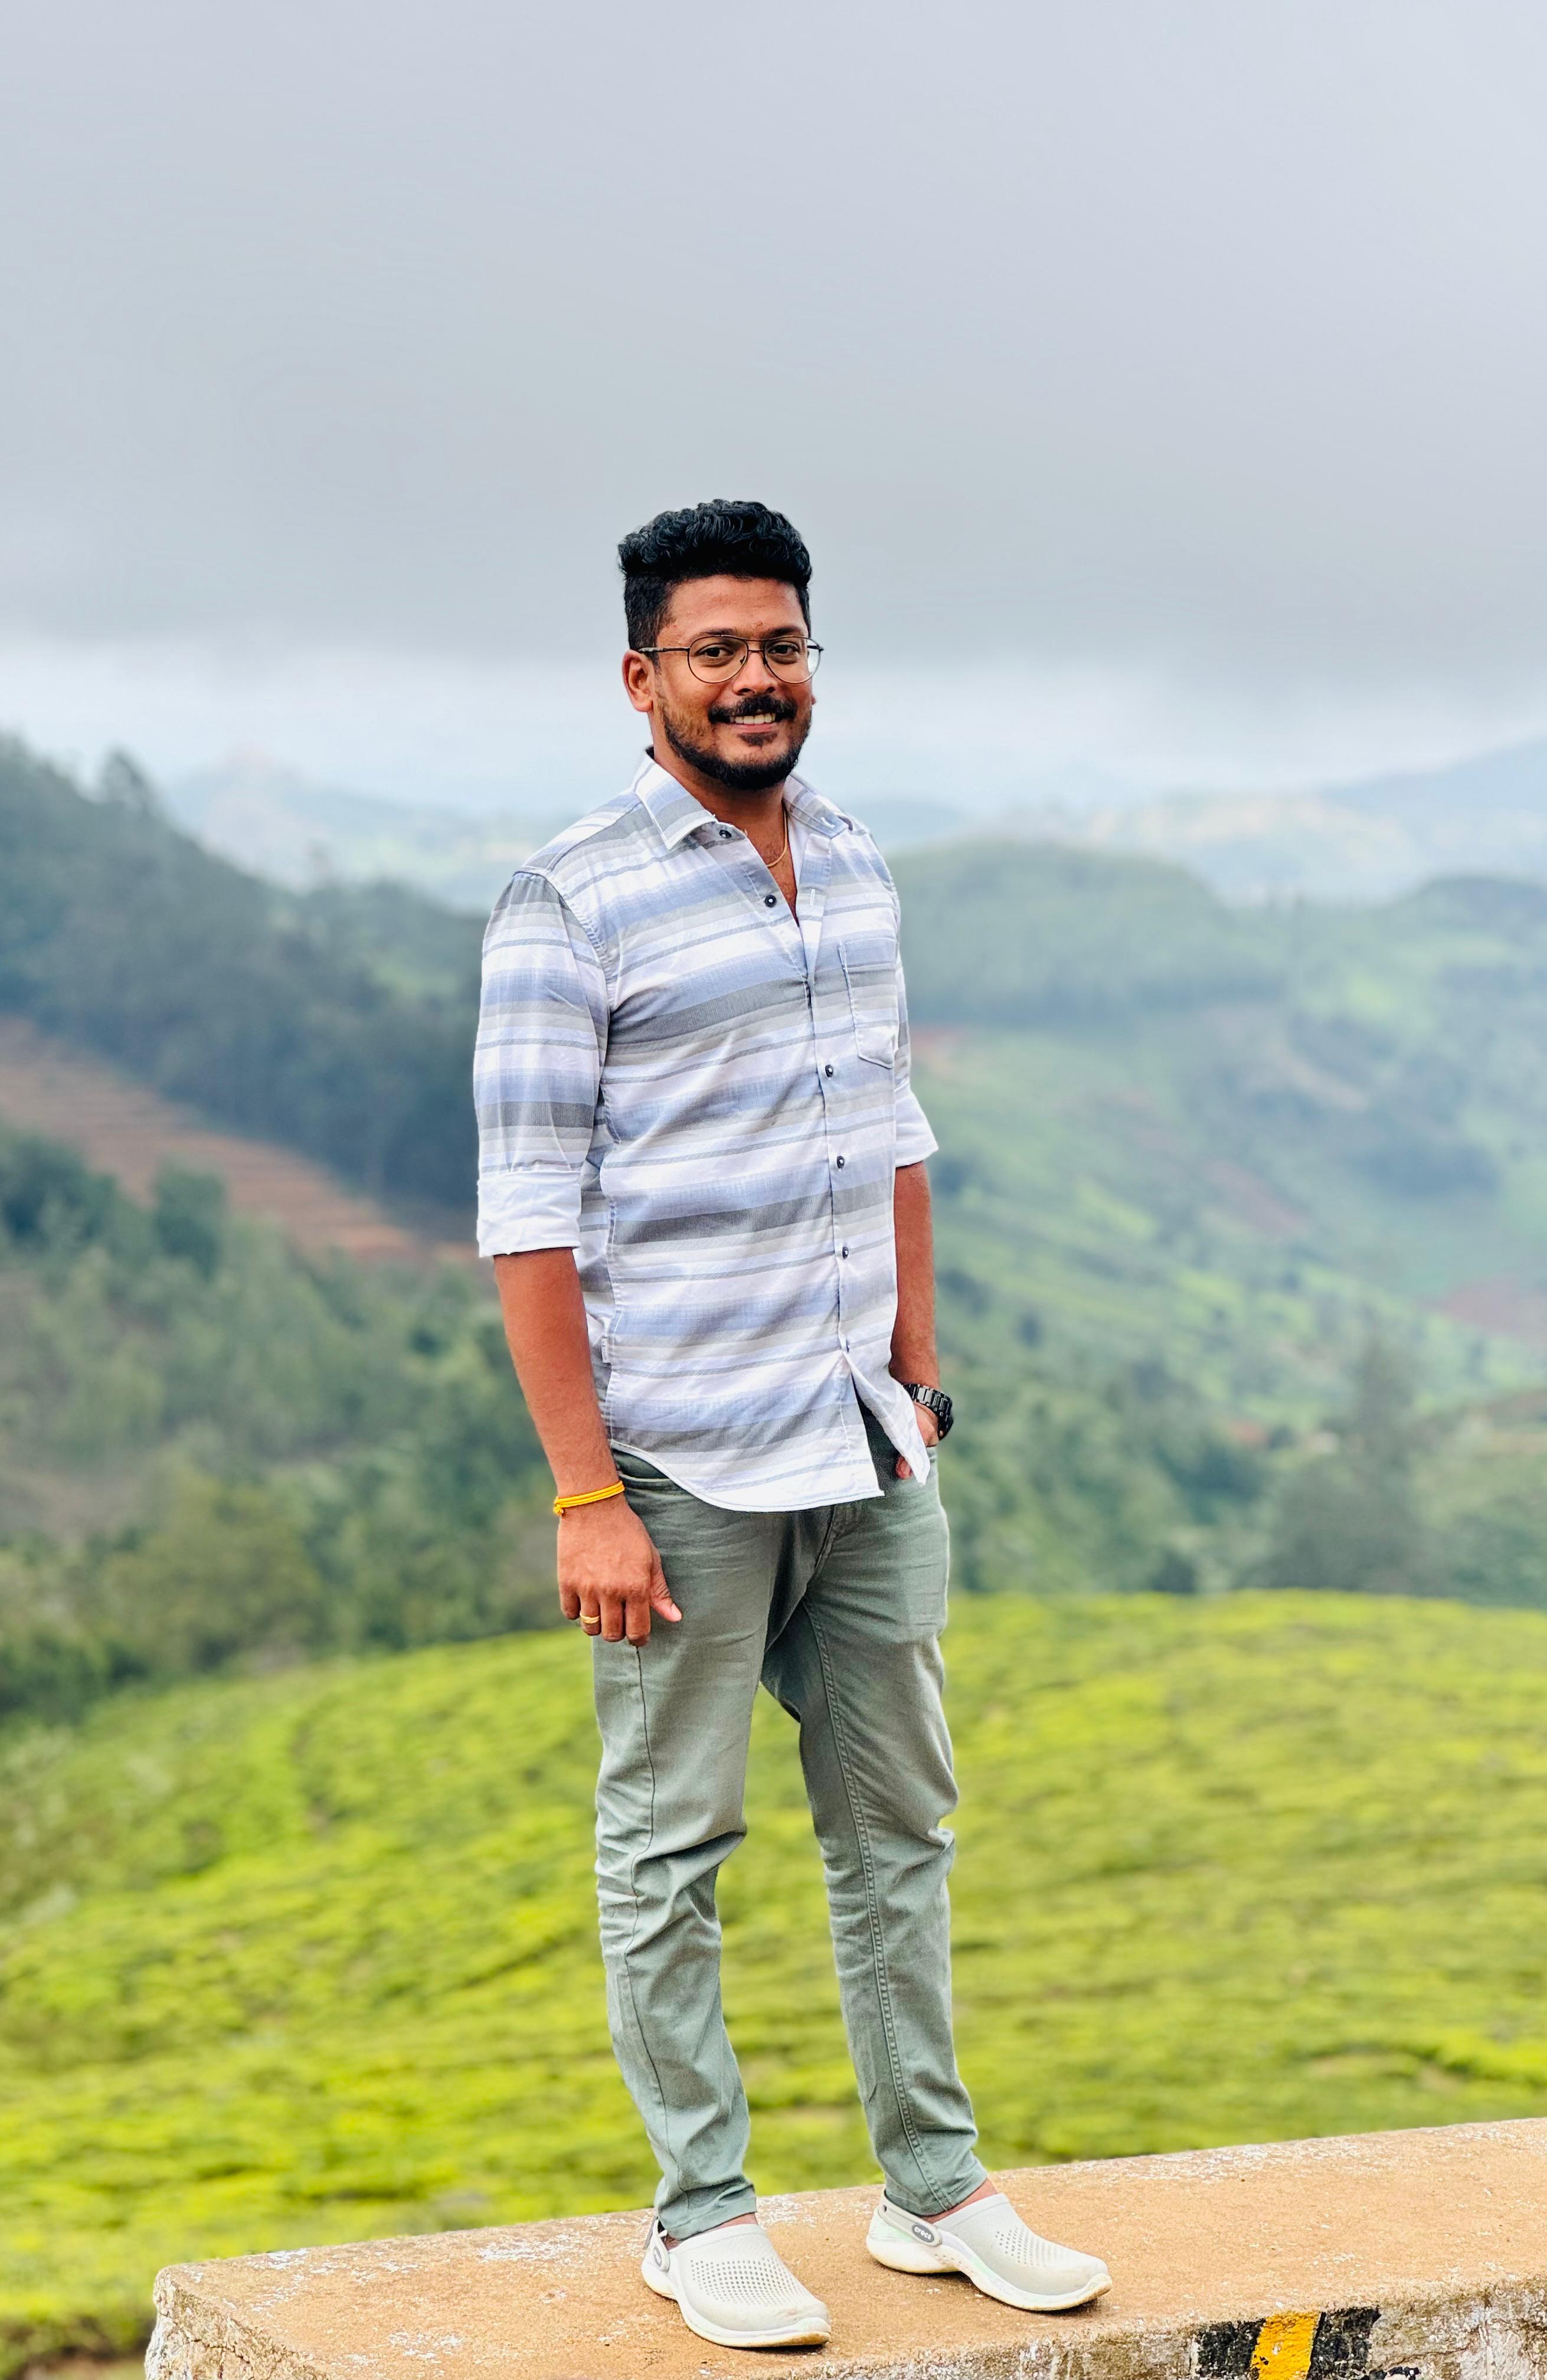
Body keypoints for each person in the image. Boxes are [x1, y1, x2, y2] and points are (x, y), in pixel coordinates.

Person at [474, 499, 1110, 2353]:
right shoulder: (569, 900)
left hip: (865, 1443)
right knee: (672, 1846)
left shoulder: (853, 860)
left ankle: (935, 2189)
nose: (754, 679)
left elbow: (889, 1129)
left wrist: (917, 1370)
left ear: (813, 661)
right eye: (716, 652)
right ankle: (703, 2216)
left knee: (900, 1825)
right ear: (641, 679)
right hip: (679, 1459)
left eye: (781, 646)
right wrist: (586, 1495)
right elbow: (528, 1217)